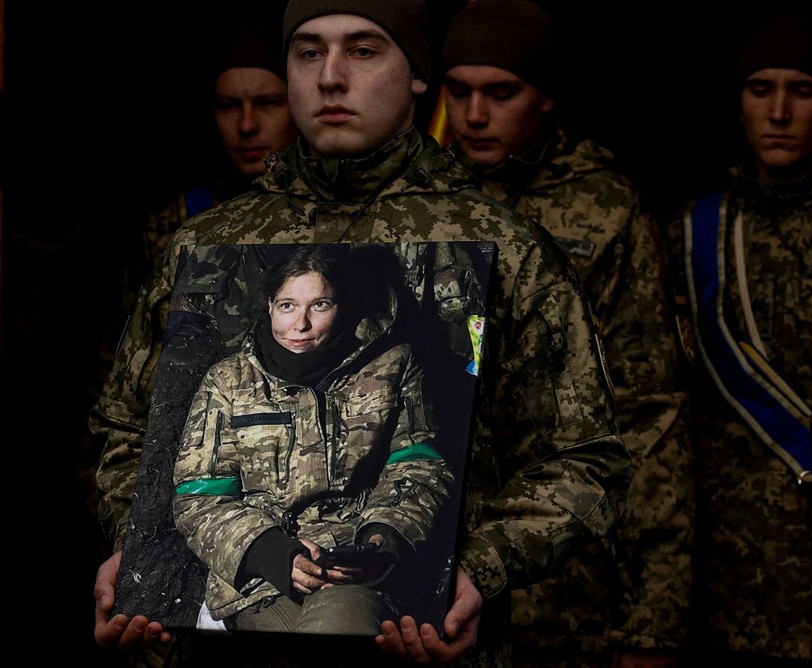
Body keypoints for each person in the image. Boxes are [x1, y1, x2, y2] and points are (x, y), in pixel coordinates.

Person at [91, 1, 633, 665]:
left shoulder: (505, 248)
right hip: (226, 615)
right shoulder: (209, 244)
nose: (331, 76)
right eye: (309, 52)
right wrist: (134, 548)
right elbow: (126, 429)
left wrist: (477, 570)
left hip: (416, 632)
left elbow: (583, 457)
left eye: (364, 50)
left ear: (416, 76)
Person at [439, 1, 693, 666]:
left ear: (545, 97)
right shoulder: (416, 202)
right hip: (427, 571)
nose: (475, 115)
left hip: (566, 580)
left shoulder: (604, 208)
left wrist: (653, 617)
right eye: (458, 91)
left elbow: (648, 412)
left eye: (501, 93)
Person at [665, 14, 812, 668]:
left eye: (804, 90)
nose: (779, 111)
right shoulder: (689, 233)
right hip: (708, 598)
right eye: (760, 88)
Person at [172, 244, 454, 636]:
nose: (300, 324)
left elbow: (418, 463)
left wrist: (384, 536)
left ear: (342, 306)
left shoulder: (393, 365)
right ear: (270, 305)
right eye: (287, 305)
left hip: (354, 572)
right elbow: (197, 496)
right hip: (259, 582)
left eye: (320, 305)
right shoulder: (228, 381)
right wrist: (270, 553)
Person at [120, 18, 301, 318]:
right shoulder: (179, 221)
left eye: (267, 103)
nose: (246, 125)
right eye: (229, 105)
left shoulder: (337, 212)